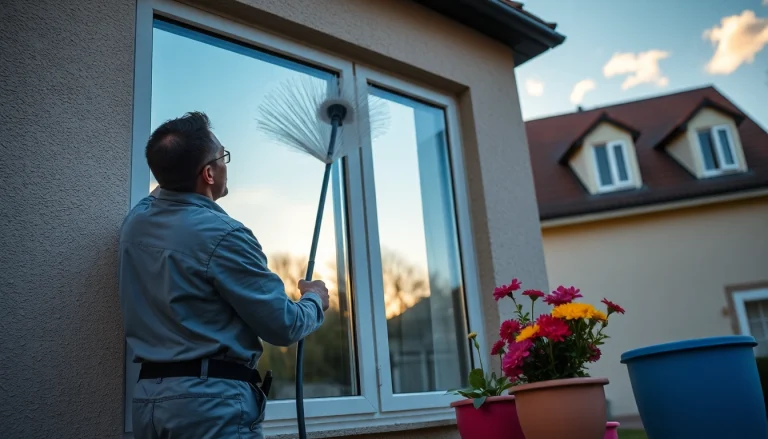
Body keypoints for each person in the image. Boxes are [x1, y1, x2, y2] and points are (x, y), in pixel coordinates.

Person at [117, 111, 329, 438]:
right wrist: (314, 299)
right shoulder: (224, 236)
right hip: (209, 409)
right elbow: (284, 325)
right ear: (209, 174)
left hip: (149, 404)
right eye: (222, 157)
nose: (226, 164)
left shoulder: (136, 224)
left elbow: (164, 190)